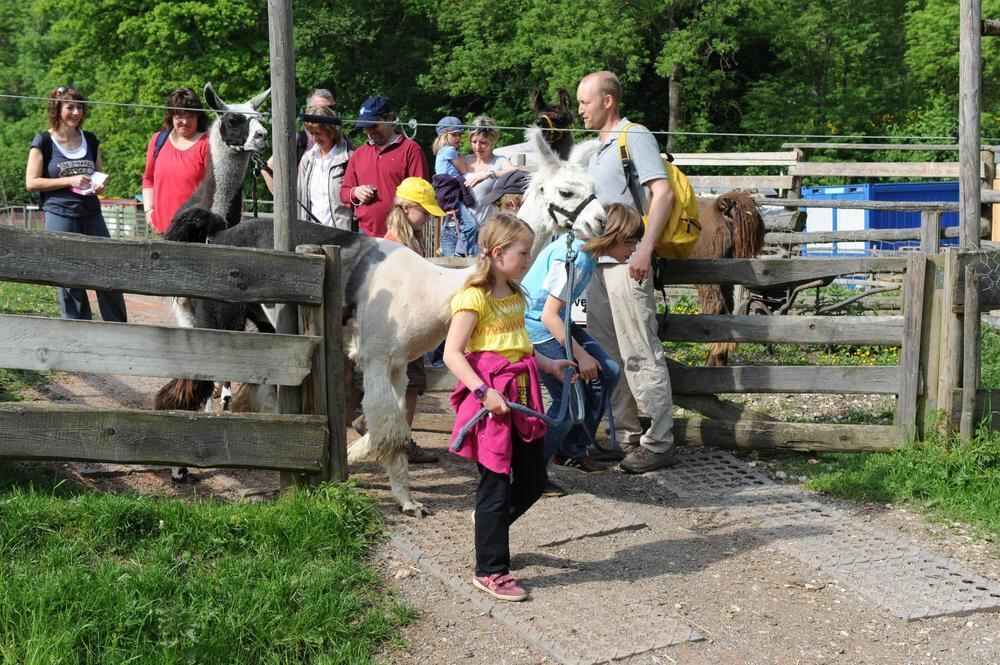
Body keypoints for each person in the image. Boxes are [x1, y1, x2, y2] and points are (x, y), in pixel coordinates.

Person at [444, 213, 575, 602]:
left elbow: (520, 343)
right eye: (523, 252)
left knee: (533, 480)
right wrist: (483, 392)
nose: (528, 258)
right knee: (496, 483)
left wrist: (548, 364)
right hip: (493, 400)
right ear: (498, 253)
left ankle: (490, 528)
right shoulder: (473, 297)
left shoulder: (516, 294)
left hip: (521, 394)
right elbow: (452, 353)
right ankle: (491, 570)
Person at [576, 70, 677, 473]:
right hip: (595, 266)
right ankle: (626, 436)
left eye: (586, 101)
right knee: (609, 353)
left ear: (608, 101)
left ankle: (659, 441)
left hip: (626, 262)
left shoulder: (635, 136)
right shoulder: (594, 149)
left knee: (639, 350)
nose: (580, 109)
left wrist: (644, 250)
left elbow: (662, 192)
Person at [522, 204, 643, 475]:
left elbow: (566, 304)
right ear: (614, 236)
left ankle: (571, 451)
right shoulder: (574, 257)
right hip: (539, 330)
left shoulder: (588, 256)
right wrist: (582, 354)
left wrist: (581, 340)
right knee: (569, 405)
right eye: (631, 243)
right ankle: (531, 469)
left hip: (561, 323)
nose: (633, 250)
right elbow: (548, 316)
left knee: (608, 371)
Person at [25, 86, 127, 323]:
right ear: (57, 109)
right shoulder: (43, 141)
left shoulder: (90, 139)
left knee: (107, 267)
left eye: (79, 107)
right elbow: (31, 182)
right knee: (68, 273)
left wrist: (99, 186)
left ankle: (118, 327)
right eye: (70, 107)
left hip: (91, 212)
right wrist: (68, 180)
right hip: (59, 212)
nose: (76, 112)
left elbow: (98, 173)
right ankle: (76, 328)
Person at [382, 177, 447, 464]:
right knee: (410, 382)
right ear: (407, 208)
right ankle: (401, 441)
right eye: (424, 211)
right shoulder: (397, 245)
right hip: (403, 324)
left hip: (408, 322)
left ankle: (387, 432)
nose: (428, 217)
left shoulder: (408, 240)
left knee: (407, 382)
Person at [341, 95, 430, 238]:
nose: (370, 130)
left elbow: (421, 194)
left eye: (374, 125)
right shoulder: (358, 154)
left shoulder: (411, 150)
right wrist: (356, 192)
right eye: (366, 126)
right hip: (365, 234)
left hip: (402, 235)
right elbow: (344, 192)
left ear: (390, 118)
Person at [141, 87, 210, 234]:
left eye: (190, 116)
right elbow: (148, 179)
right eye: (179, 116)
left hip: (194, 234)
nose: (184, 121)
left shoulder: (207, 143)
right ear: (171, 117)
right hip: (161, 231)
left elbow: (213, 188)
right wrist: (148, 211)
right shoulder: (158, 140)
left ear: (199, 117)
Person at [262, 87, 338, 193]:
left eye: (331, 108)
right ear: (308, 111)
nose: (327, 113)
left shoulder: (342, 140)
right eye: (321, 109)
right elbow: (268, 168)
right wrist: (288, 205)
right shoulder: (298, 140)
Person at [296, 105, 353, 229]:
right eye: (311, 133)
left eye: (319, 133)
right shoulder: (308, 159)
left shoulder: (349, 158)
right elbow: (301, 198)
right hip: (311, 233)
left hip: (341, 234)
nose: (315, 138)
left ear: (332, 130)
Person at [432, 116, 478, 256]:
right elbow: (464, 169)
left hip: (445, 192)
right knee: (470, 225)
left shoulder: (442, 152)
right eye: (454, 134)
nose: (458, 138)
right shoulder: (449, 151)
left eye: (459, 134)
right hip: (450, 190)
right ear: (444, 135)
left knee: (460, 224)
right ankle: (460, 254)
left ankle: (462, 251)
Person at [463, 116, 515, 224]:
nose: (478, 147)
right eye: (474, 142)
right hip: (456, 228)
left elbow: (516, 171)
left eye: (483, 142)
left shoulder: (499, 161)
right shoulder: (464, 160)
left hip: (482, 229)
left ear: (492, 141)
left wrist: (489, 174)